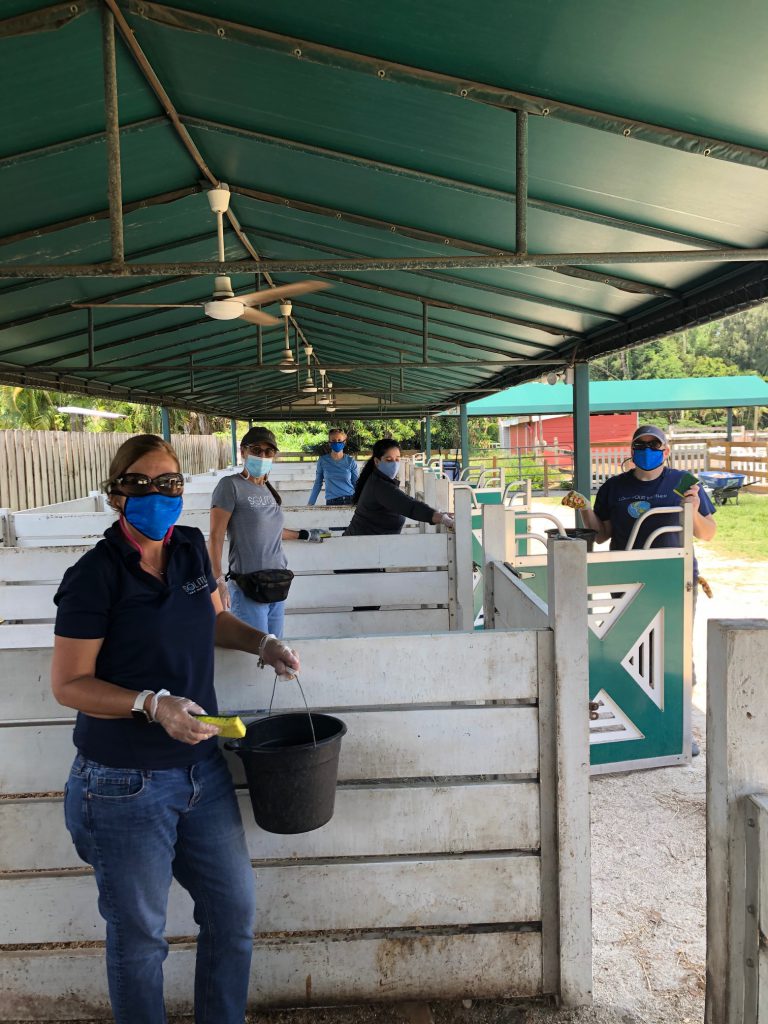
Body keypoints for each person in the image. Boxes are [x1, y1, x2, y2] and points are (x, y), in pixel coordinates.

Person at [51, 434, 300, 1024]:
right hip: (121, 783)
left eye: (170, 483)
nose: (158, 493)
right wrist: (150, 704)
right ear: (117, 495)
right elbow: (70, 685)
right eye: (142, 483)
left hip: (202, 769)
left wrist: (262, 642)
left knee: (232, 913)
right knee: (141, 938)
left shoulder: (188, 547)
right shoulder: (93, 575)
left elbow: (215, 620)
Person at [563, 423, 716, 755]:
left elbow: (707, 533)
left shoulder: (684, 483)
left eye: (654, 445)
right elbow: (601, 534)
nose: (647, 451)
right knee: (631, 652)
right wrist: (584, 509)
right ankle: (640, 722)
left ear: (666, 449)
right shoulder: (614, 487)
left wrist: (692, 509)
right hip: (627, 579)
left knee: (676, 653)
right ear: (631, 450)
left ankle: (678, 730)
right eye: (640, 445)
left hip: (674, 577)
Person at [208, 426, 324, 638]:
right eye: (256, 450)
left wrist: (304, 535)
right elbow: (216, 536)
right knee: (255, 654)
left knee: (275, 648)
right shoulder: (230, 485)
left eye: (268, 452)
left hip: (276, 584)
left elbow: (272, 531)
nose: (262, 456)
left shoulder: (267, 489)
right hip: (247, 586)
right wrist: (218, 581)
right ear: (243, 452)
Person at [344, 438, 454, 536]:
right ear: (377, 461)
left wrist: (437, 514)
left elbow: (405, 500)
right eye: (388, 459)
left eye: (397, 459)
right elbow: (410, 506)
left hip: (368, 547)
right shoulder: (379, 486)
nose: (394, 463)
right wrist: (440, 518)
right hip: (359, 549)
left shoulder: (378, 480)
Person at [307, 427, 359, 506]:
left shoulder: (350, 461)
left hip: (350, 500)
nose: (336, 443)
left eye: (339, 440)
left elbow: (356, 483)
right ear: (329, 443)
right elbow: (318, 483)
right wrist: (310, 503)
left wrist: (360, 502)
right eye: (333, 441)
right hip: (331, 502)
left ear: (344, 442)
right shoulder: (322, 460)